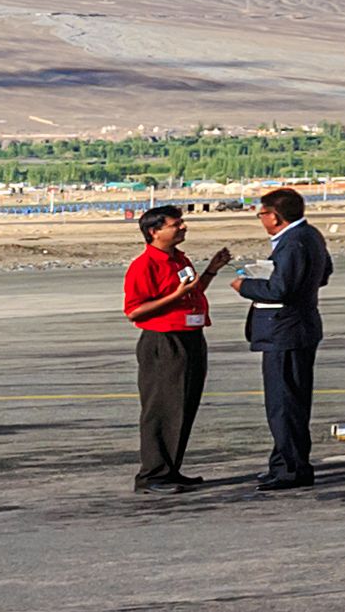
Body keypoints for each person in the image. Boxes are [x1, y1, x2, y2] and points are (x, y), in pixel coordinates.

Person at [233, 185, 332, 491]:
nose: (261, 220)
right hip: (298, 328)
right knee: (290, 401)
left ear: (275, 217)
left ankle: (291, 468)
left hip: (285, 331)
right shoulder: (311, 235)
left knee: (284, 403)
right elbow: (325, 272)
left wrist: (245, 286)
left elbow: (281, 290)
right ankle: (284, 462)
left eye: (262, 214)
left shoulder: (292, 242)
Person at [120, 203, 213, 492]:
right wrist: (175, 296)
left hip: (190, 335)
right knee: (161, 409)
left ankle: (170, 469)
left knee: (183, 406)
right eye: (176, 224)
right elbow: (134, 311)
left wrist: (212, 270)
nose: (183, 226)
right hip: (163, 341)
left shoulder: (180, 259)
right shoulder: (143, 265)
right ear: (154, 231)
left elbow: (192, 292)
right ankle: (152, 475)